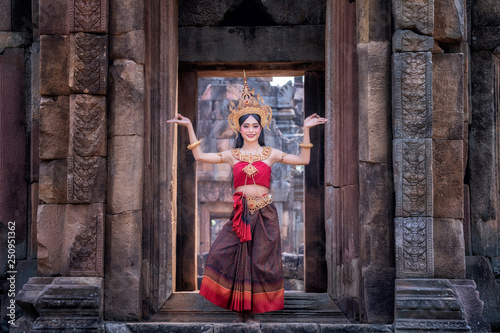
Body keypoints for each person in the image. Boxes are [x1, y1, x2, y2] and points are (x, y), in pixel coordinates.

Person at [167, 75, 327, 323]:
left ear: (261, 128)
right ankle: (238, 309)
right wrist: (188, 125)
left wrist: (305, 129)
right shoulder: (233, 154)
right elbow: (199, 156)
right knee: (221, 253)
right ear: (239, 128)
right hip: (241, 213)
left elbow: (303, 161)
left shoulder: (270, 153)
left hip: (265, 213)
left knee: (259, 262)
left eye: (255, 125)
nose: (251, 130)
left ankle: (249, 314)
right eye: (246, 126)